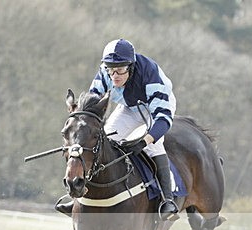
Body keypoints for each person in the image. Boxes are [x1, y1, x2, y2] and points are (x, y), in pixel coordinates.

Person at [56, 38, 179, 219]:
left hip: (155, 109)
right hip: (128, 108)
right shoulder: (105, 72)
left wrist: (143, 141)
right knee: (105, 141)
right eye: (111, 70)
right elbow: (93, 105)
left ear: (131, 66)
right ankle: (77, 196)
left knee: (153, 145)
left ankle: (167, 200)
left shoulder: (150, 75)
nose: (114, 76)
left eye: (120, 70)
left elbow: (163, 119)